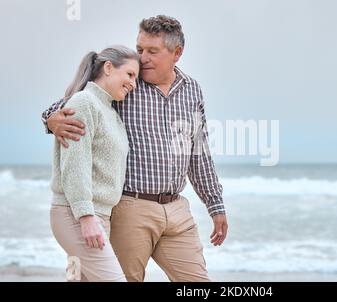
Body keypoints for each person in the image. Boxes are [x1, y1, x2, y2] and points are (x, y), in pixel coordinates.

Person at [42, 15, 228, 282]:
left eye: (152, 51)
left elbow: (198, 153)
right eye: (140, 49)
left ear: (177, 53)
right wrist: (50, 120)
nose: (142, 58)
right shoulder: (126, 82)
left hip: (177, 209)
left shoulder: (192, 90)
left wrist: (215, 204)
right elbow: (73, 104)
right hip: (131, 208)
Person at [49, 46, 140, 282]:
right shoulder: (84, 102)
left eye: (137, 78)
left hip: (99, 215)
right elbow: (75, 163)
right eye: (130, 75)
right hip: (77, 215)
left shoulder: (110, 111)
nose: (134, 84)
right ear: (108, 68)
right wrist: (86, 217)